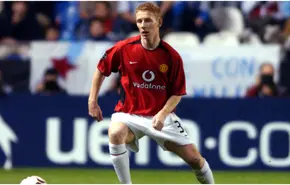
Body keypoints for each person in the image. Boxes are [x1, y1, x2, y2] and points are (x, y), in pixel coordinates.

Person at [88, 2, 215, 184]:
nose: (143, 25)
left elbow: (177, 93)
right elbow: (101, 69)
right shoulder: (124, 48)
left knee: (195, 159)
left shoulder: (171, 56)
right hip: (129, 114)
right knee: (115, 133)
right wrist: (92, 101)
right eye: (139, 21)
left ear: (159, 22)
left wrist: (163, 114)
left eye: (148, 20)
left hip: (160, 117)